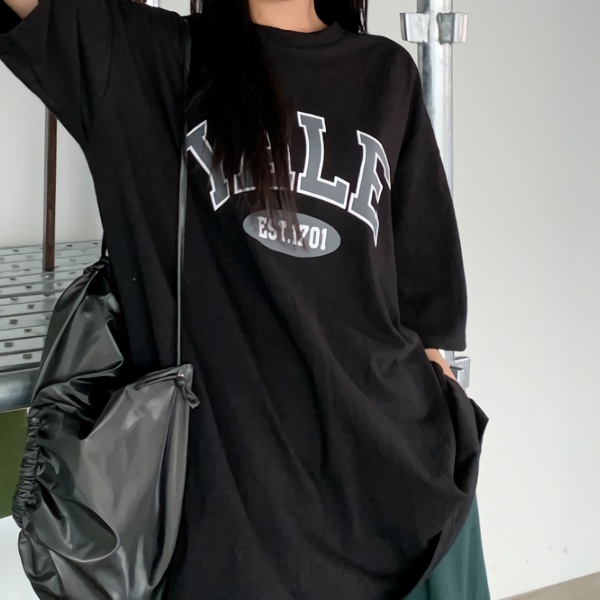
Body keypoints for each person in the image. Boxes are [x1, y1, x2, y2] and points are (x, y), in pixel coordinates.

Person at [0, 0, 488, 598]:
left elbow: (423, 300)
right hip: (228, 525)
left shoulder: (386, 73)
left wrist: (439, 427)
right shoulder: (146, 59)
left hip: (389, 494)